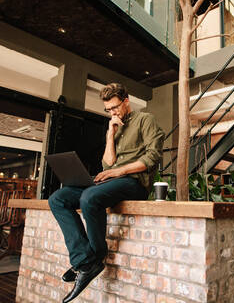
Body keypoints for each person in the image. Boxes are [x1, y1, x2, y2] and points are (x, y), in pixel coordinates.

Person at [48, 83, 164, 303]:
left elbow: (152, 157)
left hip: (134, 182)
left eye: (115, 107)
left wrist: (118, 171)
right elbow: (107, 163)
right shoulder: (114, 124)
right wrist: (111, 133)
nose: (113, 112)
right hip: (111, 179)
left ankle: (95, 258)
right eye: (108, 110)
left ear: (126, 100)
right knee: (58, 198)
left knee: (89, 198)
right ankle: (86, 262)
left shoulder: (145, 120)